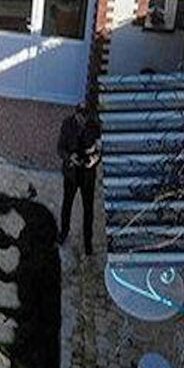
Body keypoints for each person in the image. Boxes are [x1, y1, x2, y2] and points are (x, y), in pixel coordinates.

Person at [58, 104, 102, 255]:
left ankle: (87, 242)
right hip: (71, 173)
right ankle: (63, 233)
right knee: (67, 205)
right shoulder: (67, 124)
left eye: (85, 116)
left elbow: (99, 151)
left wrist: (93, 160)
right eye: (80, 116)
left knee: (88, 209)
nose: (82, 119)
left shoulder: (95, 127)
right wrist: (70, 157)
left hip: (87, 175)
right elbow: (60, 148)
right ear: (76, 114)